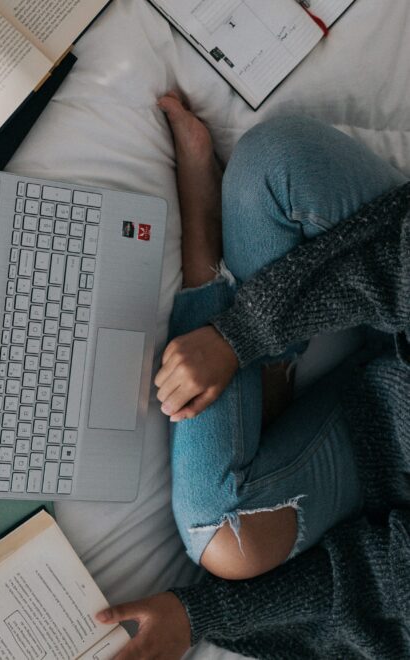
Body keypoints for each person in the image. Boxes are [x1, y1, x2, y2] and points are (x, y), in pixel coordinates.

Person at [94, 94, 410, 659]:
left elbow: (385, 574)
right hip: (398, 295)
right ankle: (257, 358)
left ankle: (206, 256)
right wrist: (244, 335)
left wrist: (199, 615)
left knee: (221, 537)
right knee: (276, 162)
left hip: (385, 442)